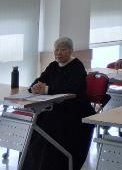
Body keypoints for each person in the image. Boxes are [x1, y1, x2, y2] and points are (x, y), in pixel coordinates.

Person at [22, 37, 95, 170]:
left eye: (63, 50)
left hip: (74, 110)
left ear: (71, 51)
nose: (59, 53)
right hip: (55, 107)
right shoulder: (53, 66)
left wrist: (47, 90)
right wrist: (35, 87)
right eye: (56, 50)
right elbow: (40, 80)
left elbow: (72, 89)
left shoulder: (77, 66)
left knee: (50, 126)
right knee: (37, 126)